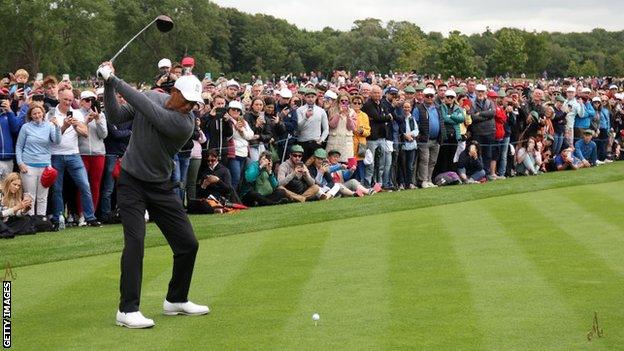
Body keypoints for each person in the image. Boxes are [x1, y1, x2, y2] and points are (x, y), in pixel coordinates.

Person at [98, 61, 209, 329]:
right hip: (131, 182)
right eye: (187, 100)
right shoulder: (150, 96)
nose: (191, 107)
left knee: (188, 243)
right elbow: (115, 116)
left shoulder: (185, 123)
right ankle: (127, 310)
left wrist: (114, 79)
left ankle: (176, 300)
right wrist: (106, 85)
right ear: (175, 93)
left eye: (195, 103)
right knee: (135, 242)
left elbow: (149, 110)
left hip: (161, 185)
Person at [47, 87, 101, 229]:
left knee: (84, 185)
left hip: (74, 154)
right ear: (59, 98)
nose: (68, 103)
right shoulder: (51, 114)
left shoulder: (76, 113)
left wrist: (76, 125)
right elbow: (52, 139)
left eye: (70, 100)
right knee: (57, 189)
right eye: (65, 99)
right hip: (56, 155)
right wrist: (64, 126)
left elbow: (85, 133)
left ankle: (90, 217)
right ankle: (59, 218)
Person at [15, 105, 61, 217]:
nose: (37, 115)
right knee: (30, 196)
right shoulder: (26, 127)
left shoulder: (49, 126)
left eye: (39, 113)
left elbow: (57, 141)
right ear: (30, 115)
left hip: (45, 166)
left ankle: (41, 219)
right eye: (34, 113)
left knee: (42, 196)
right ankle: (29, 220)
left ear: (43, 113)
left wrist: (57, 127)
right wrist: (20, 163)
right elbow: (19, 146)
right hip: (28, 166)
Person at [77, 90, 108, 224]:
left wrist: (98, 119)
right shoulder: (77, 114)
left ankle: (92, 213)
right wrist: (86, 120)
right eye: (87, 100)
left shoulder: (101, 115)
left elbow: (103, 135)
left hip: (98, 153)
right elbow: (76, 134)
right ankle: (81, 214)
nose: (90, 103)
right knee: (83, 185)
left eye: (92, 100)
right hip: (82, 153)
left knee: (95, 185)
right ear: (81, 101)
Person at [413, 88, 445, 188]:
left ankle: (429, 179)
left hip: (436, 140)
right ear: (423, 96)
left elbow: (441, 122)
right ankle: (423, 180)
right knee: (424, 161)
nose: (430, 98)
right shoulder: (418, 108)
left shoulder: (437, 108)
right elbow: (415, 123)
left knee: (432, 161)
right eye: (427, 96)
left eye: (431, 96)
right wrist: (419, 136)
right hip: (424, 139)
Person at [296, 88, 329, 160]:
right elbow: (299, 128)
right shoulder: (299, 110)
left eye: (312, 97)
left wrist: (321, 140)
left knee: (315, 166)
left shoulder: (321, 111)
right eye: (308, 97)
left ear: (316, 97)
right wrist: (306, 117)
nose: (310, 99)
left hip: (316, 142)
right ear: (305, 98)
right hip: (302, 142)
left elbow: (326, 129)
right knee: (303, 165)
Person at [326, 93, 356, 162]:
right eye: (342, 100)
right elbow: (332, 125)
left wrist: (348, 116)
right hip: (334, 141)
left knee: (346, 164)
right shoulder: (332, 110)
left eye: (346, 100)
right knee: (331, 163)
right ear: (338, 101)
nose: (344, 102)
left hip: (346, 142)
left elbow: (351, 128)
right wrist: (339, 113)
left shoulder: (352, 112)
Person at [351, 95, 370, 182]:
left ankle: (361, 185)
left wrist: (362, 131)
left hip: (361, 145)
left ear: (362, 105)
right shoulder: (349, 113)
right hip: (350, 144)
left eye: (359, 103)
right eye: (355, 103)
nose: (357, 105)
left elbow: (368, 131)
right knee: (351, 166)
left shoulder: (364, 115)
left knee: (360, 167)